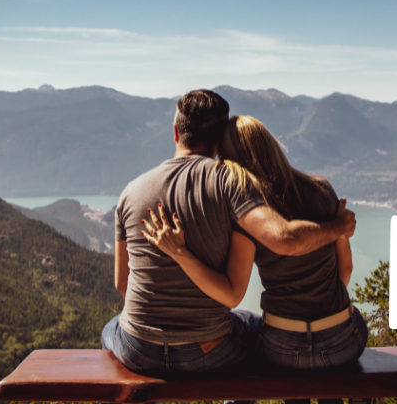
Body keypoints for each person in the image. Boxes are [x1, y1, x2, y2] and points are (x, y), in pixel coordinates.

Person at [101, 90, 357, 377]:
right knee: (249, 325)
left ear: (175, 132)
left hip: (139, 349)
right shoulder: (230, 184)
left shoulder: (129, 193)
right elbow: (282, 243)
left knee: (112, 327)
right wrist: (339, 227)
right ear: (219, 139)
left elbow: (123, 284)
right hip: (209, 351)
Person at [142, 115, 368, 399]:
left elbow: (234, 288)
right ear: (271, 145)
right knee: (351, 329)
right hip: (341, 341)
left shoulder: (250, 217)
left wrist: (181, 252)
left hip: (282, 346)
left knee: (247, 336)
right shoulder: (322, 190)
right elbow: (345, 270)